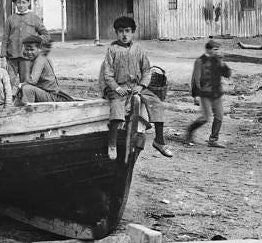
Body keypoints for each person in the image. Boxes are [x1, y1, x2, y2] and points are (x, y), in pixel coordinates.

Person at [99, 16, 173, 160]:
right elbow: (107, 73)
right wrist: (116, 88)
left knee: (156, 103)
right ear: (116, 33)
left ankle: (159, 141)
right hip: (119, 88)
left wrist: (141, 86)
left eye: (127, 31)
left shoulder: (138, 50)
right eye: (120, 31)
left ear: (133, 32)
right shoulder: (112, 50)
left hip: (136, 87)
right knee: (117, 106)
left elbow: (146, 71)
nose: (124, 35)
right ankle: (112, 142)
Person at [1, 0, 50, 92]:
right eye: (18, 2)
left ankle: (24, 103)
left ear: (29, 3)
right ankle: (6, 103)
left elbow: (46, 35)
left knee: (26, 83)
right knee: (8, 82)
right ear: (15, 4)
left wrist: (35, 42)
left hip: (27, 58)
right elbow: (5, 38)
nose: (21, 5)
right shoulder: (10, 19)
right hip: (11, 57)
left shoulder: (34, 18)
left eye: (24, 2)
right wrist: (3, 58)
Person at [187, 39, 232, 148]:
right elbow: (195, 79)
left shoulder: (217, 61)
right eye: (215, 49)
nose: (217, 52)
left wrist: (223, 64)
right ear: (208, 49)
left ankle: (213, 140)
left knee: (219, 116)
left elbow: (227, 74)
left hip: (217, 93)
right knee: (206, 118)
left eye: (218, 49)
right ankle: (190, 130)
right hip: (205, 93)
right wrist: (196, 95)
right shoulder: (200, 61)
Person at [18, 35, 64, 104]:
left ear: (39, 49)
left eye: (32, 50)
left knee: (27, 89)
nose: (29, 52)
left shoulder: (39, 60)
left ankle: (28, 113)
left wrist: (20, 86)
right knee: (22, 89)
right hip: (44, 92)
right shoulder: (35, 59)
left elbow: (33, 81)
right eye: (26, 49)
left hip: (51, 96)